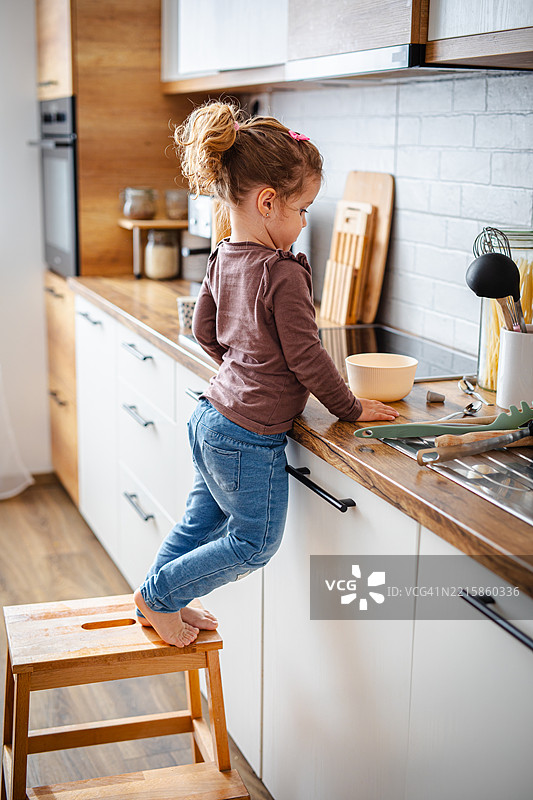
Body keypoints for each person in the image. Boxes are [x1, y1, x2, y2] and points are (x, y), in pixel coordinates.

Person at [134, 101, 398, 646]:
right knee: (254, 542)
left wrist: (242, 368)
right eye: (302, 211)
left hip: (212, 417)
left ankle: (157, 599)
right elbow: (308, 358)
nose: (304, 223)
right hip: (248, 438)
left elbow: (205, 331)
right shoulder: (282, 273)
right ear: (268, 202)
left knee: (198, 524)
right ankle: (159, 598)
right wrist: (349, 407)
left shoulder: (223, 255)